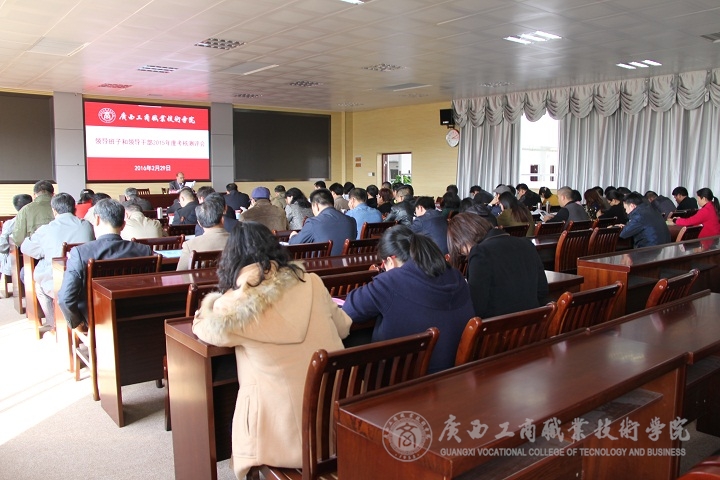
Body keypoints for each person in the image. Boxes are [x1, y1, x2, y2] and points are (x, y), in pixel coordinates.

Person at [191, 221, 351, 479]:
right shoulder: (310, 281)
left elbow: (208, 329)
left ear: (232, 259)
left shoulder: (233, 304)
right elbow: (344, 327)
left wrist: (206, 307)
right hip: (334, 423)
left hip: (279, 436)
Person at [342, 225, 473, 373]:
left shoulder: (390, 282)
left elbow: (349, 310)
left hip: (404, 378)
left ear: (390, 260)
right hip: (456, 372)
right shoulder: (455, 276)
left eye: (383, 265)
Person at [58, 199, 155, 329]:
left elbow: (65, 299)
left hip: (98, 319)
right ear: (123, 225)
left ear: (97, 219)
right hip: (137, 315)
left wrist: (78, 323)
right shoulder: (144, 250)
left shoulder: (80, 253)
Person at [447, 213, 549, 319]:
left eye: (460, 251)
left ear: (462, 240)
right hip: (533, 324)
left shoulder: (480, 252)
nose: (464, 254)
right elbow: (542, 291)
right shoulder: (527, 244)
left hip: (498, 327)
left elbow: (477, 307)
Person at [21, 193, 95, 330]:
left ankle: (55, 326)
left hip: (59, 282)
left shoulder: (46, 229)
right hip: (87, 280)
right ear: (74, 208)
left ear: (54, 210)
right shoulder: (87, 225)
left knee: (39, 285)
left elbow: (26, 248)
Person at [288, 189, 356, 256]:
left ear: (316, 205)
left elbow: (294, 244)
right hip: (348, 262)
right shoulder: (351, 221)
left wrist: (293, 236)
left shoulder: (313, 222)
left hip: (321, 262)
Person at [176, 195, 230, 270]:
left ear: (199, 223)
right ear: (222, 219)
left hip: (200, 278)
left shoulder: (190, 246)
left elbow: (181, 273)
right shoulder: (240, 240)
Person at [11, 180, 55, 247]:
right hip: (60, 250)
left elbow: (18, 239)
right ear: (53, 194)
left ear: (34, 195)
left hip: (34, 250)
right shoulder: (61, 208)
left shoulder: (25, 210)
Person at [0, 194, 33, 277]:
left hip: (14, 264)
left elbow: (2, 247)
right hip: (35, 259)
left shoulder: (10, 224)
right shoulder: (39, 221)